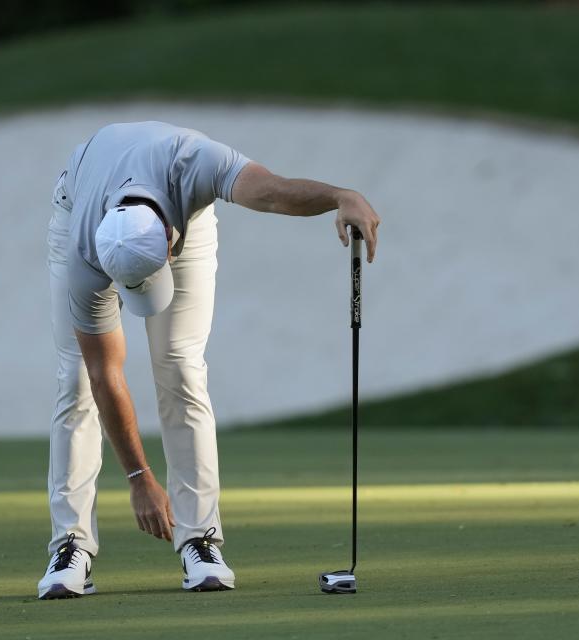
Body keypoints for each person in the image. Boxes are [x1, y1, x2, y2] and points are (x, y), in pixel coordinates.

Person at [37, 121, 380, 599]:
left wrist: (340, 196)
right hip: (80, 203)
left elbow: (274, 194)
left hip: (179, 214)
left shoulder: (195, 162)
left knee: (180, 366)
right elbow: (105, 372)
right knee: (75, 379)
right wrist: (140, 479)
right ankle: (70, 544)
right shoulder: (85, 257)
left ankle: (200, 539)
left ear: (167, 240)